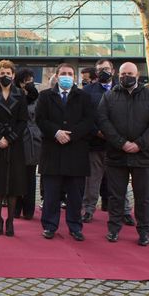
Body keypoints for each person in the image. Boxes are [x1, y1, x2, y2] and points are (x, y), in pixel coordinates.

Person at [97, 62, 149, 246]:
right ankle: (113, 229)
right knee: (115, 196)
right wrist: (122, 143)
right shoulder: (109, 96)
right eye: (123, 73)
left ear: (138, 74)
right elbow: (103, 121)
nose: (127, 76)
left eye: (130, 73)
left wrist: (139, 144)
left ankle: (144, 231)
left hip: (144, 155)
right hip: (116, 155)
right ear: (118, 75)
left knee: (143, 197)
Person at [35, 63, 94, 241]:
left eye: (69, 73)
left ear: (74, 77)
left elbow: (89, 121)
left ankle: (75, 227)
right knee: (52, 194)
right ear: (57, 76)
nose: (66, 76)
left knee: (75, 195)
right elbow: (40, 119)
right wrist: (56, 132)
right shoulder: (45, 96)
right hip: (52, 152)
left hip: (76, 153)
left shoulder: (84, 97)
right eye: (63, 73)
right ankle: (50, 226)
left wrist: (71, 135)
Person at [81, 58, 132, 225]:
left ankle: (124, 210)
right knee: (92, 180)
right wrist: (97, 131)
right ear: (96, 72)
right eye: (100, 69)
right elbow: (85, 116)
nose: (104, 72)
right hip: (95, 143)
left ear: (113, 71)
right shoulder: (87, 91)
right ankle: (88, 209)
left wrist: (116, 135)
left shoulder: (123, 89)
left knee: (119, 180)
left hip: (117, 144)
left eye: (107, 69)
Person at [0, 60, 29, 236]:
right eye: (2, 73)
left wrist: (9, 138)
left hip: (14, 144)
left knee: (13, 184)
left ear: (13, 75)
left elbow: (23, 120)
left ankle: (10, 221)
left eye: (8, 73)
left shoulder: (20, 94)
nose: (5, 76)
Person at [12, 67, 40, 220]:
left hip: (32, 140)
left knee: (30, 176)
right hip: (17, 138)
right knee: (17, 175)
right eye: (25, 81)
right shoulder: (14, 95)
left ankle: (29, 209)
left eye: (30, 80)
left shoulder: (37, 97)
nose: (28, 83)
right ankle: (16, 207)